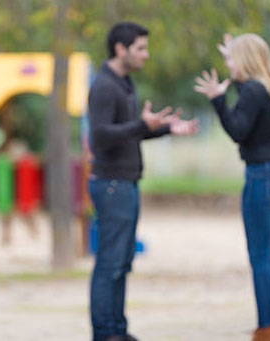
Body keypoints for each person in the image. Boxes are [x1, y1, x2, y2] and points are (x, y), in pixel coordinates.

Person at [88, 22, 198, 341]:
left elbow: (130, 131)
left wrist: (164, 129)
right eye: (140, 48)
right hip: (111, 184)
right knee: (110, 262)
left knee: (122, 261)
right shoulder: (105, 86)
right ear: (121, 49)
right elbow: (100, 137)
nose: (145, 55)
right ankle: (105, 333)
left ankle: (118, 329)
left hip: (126, 182)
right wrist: (140, 124)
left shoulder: (125, 83)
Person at [194, 33, 270, 341]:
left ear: (246, 60)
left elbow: (238, 129)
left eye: (232, 59)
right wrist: (230, 64)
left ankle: (267, 330)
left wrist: (217, 100)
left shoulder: (251, 91)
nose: (228, 65)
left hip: (261, 177)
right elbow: (247, 118)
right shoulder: (263, 89)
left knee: (260, 258)